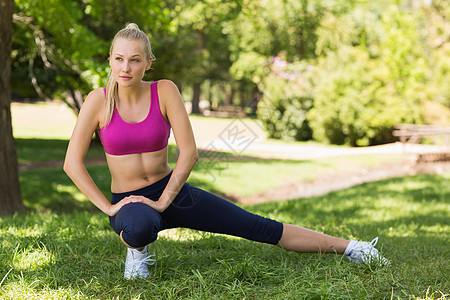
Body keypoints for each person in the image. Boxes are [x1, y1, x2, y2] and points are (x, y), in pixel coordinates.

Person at [63, 23, 388, 280]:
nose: (126, 67)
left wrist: (163, 200)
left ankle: (354, 248)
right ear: (110, 59)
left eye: (135, 59)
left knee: (259, 226)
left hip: (173, 192)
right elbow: (72, 164)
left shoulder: (165, 91)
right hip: (131, 203)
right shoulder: (97, 101)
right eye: (119, 58)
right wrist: (109, 208)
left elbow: (189, 153)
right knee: (137, 226)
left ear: (148, 63)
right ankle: (137, 251)